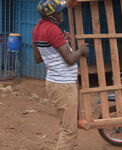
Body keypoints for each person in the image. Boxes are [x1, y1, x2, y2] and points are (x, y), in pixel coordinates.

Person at [32, 0, 88, 150]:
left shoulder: (37, 29)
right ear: (50, 15)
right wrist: (82, 51)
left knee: (67, 125)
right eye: (58, 11)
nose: (61, 14)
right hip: (63, 85)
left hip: (55, 82)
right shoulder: (52, 30)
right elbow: (70, 59)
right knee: (69, 131)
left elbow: (38, 59)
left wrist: (62, 42)